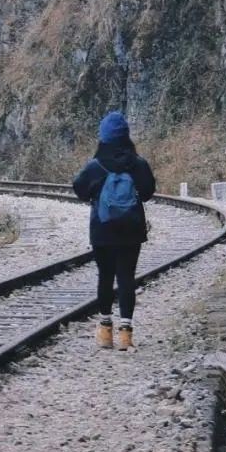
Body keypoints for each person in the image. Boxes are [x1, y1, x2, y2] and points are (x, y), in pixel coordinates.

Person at [72, 110, 156, 353]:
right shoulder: (138, 164)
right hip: (131, 230)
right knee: (126, 278)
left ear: (103, 137)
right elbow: (148, 192)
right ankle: (126, 336)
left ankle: (105, 332)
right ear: (126, 136)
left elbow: (79, 190)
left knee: (105, 277)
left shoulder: (95, 166)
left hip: (102, 230)